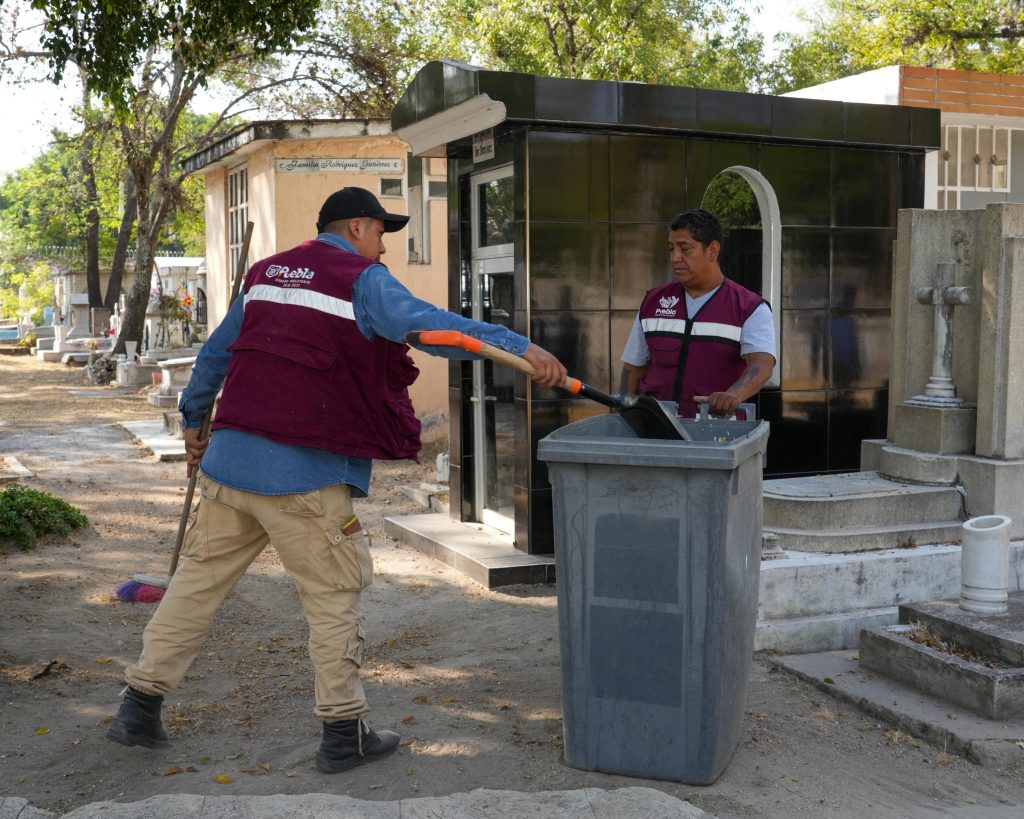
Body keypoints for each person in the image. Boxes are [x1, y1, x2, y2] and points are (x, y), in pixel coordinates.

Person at [106, 186, 568, 773]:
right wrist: (522, 347)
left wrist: (195, 423)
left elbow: (216, 355)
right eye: (380, 234)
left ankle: (138, 707)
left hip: (230, 465)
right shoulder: (360, 279)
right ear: (355, 228)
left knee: (195, 587)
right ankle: (343, 733)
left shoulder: (265, 274)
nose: (383, 249)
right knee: (332, 599)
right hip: (305, 474)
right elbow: (436, 330)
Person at [621, 209, 776, 418]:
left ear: (712, 251)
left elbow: (762, 363)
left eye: (684, 249)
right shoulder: (653, 302)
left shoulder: (749, 308)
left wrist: (733, 395)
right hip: (656, 431)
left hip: (717, 436)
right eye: (671, 249)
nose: (675, 258)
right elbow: (633, 369)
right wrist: (620, 413)